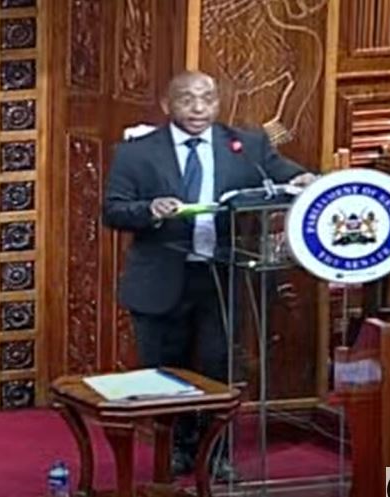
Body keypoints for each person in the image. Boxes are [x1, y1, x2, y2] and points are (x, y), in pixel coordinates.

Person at [102, 71, 317, 477]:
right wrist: (149, 209)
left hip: (223, 278)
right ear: (168, 105)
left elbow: (289, 175)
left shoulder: (246, 146)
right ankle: (177, 450)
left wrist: (306, 180)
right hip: (160, 281)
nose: (199, 108)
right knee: (166, 372)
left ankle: (217, 454)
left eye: (207, 99)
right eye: (187, 99)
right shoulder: (137, 152)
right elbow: (113, 209)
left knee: (218, 368)